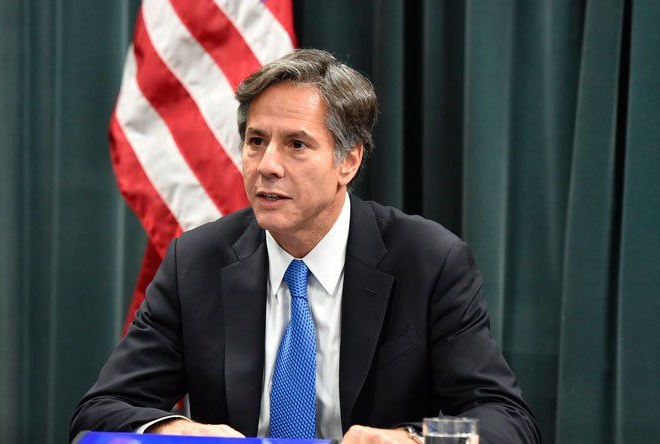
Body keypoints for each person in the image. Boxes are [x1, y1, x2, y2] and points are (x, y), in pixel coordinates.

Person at [71, 49, 540, 444]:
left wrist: (413, 440)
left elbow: (507, 420)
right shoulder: (196, 262)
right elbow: (101, 410)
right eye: (256, 141)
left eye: (296, 144)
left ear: (348, 161)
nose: (267, 165)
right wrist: (176, 430)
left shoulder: (429, 261)